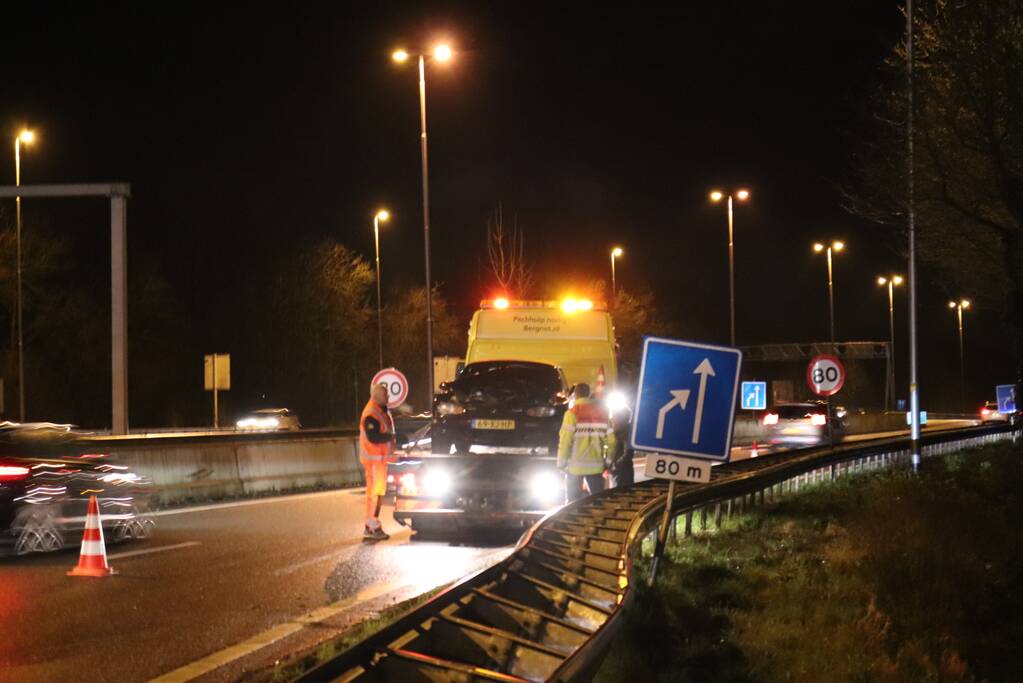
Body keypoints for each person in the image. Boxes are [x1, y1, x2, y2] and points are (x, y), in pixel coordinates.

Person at [557, 383, 615, 502]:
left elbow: (565, 441)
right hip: (596, 467)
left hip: (574, 467)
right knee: (599, 502)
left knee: (572, 505)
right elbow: (612, 441)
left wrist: (561, 463)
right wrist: (608, 462)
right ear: (588, 394)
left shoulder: (572, 413)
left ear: (575, 395)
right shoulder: (602, 413)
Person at [359, 382, 396, 540]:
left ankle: (371, 525)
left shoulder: (379, 410)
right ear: (377, 396)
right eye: (385, 394)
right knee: (374, 495)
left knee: (377, 494)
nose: (388, 396)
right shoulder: (372, 413)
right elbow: (373, 436)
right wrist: (391, 437)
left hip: (379, 460)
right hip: (374, 460)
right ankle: (372, 526)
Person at [608, 407, 635, 488]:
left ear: (620, 418)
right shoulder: (619, 431)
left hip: (622, 472)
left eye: (614, 416)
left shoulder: (625, 432)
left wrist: (614, 466)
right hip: (620, 471)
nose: (612, 418)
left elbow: (627, 454)